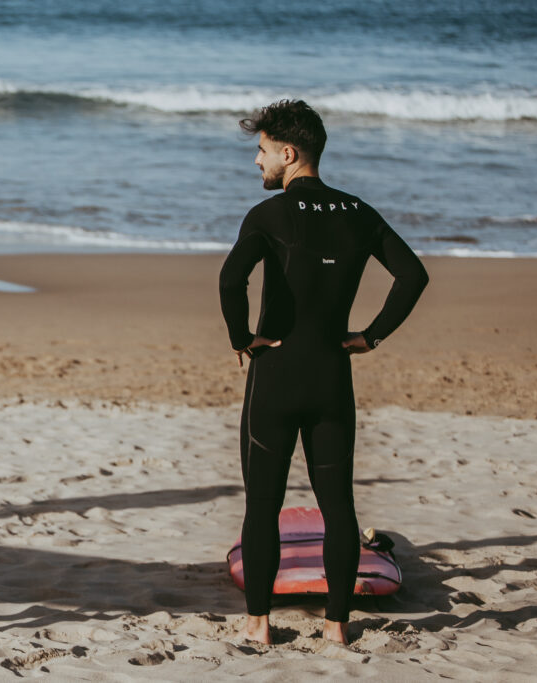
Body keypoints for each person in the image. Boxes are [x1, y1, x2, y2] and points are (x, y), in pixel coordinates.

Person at [219, 99, 428, 646]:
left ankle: (259, 625)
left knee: (263, 505)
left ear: (289, 154)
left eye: (262, 152)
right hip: (333, 376)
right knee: (339, 507)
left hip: (277, 375)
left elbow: (229, 281)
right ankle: (337, 627)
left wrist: (243, 339)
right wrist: (369, 336)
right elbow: (413, 276)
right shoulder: (360, 213)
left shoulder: (267, 216)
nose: (257, 162)